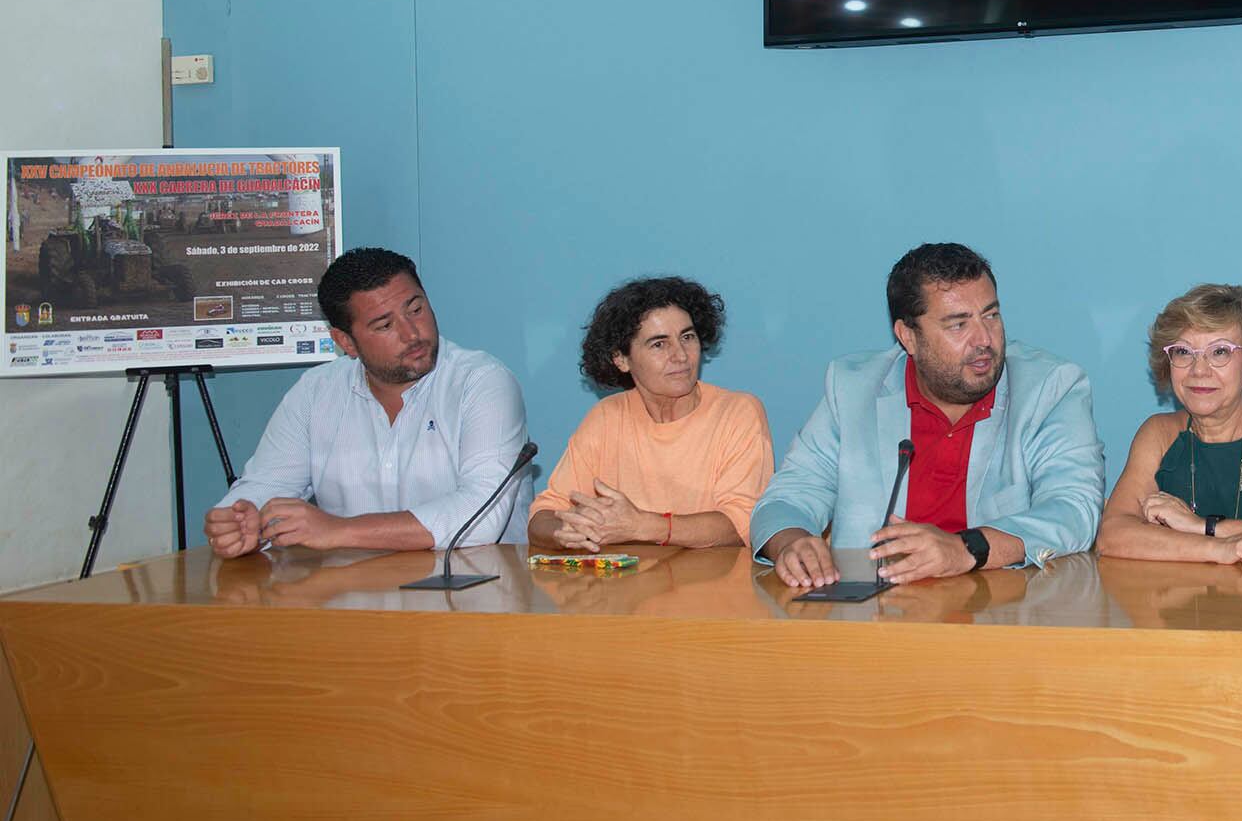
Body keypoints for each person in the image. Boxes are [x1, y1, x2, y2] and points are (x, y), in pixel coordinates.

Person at [750, 242, 1104, 588]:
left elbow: (1074, 510)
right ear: (908, 337)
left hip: (998, 616)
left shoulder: (1049, 388)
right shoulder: (853, 388)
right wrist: (791, 542)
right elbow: (787, 497)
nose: (984, 339)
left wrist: (966, 548)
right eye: (958, 324)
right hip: (875, 620)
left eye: (991, 315)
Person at [204, 247, 528, 557]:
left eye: (416, 309)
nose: (411, 333)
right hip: (354, 596)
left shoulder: (481, 382)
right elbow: (267, 485)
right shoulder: (316, 393)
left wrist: (338, 531)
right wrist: (240, 520)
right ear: (346, 342)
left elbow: (481, 514)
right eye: (385, 325)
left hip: (473, 596)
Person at [528, 276, 772, 552]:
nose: (680, 355)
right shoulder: (606, 417)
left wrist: (642, 526)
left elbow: (743, 525)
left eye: (688, 337)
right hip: (627, 592)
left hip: (713, 591)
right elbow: (544, 515)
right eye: (659, 344)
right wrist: (566, 531)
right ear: (621, 359)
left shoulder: (738, 412)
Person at [1096, 284, 1242, 563]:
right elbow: (1112, 536)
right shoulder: (1158, 434)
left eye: (1219, 352)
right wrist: (1221, 548)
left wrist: (1201, 526)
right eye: (1184, 352)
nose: (1199, 370)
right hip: (1182, 602)